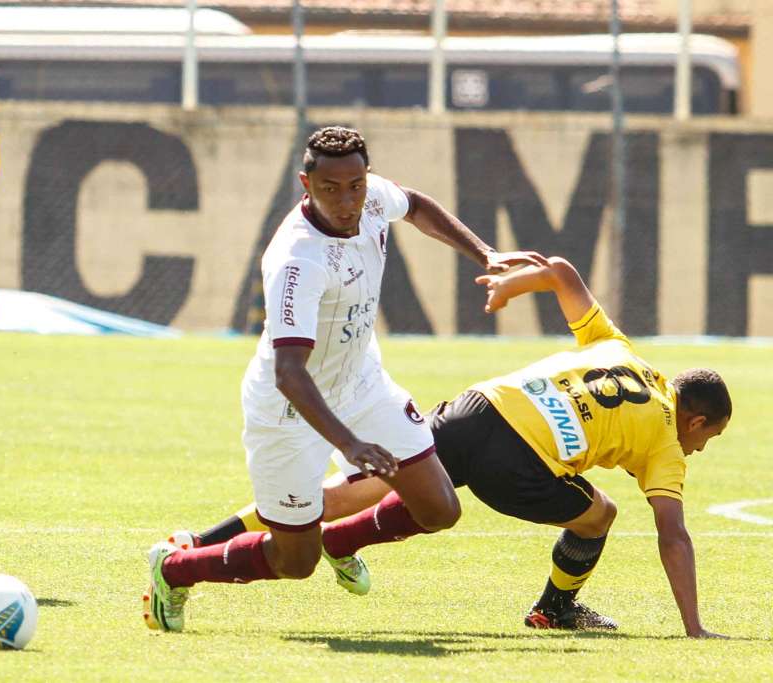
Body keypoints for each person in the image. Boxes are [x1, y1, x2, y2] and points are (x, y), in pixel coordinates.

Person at [172, 256, 731, 638]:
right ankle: (554, 610)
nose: (700, 449)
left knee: (350, 490)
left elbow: (563, 272)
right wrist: (694, 627)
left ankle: (199, 542)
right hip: (520, 460)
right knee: (599, 515)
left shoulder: (620, 348)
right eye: (708, 437)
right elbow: (673, 536)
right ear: (696, 418)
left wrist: (514, 284)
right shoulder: (667, 443)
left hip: (481, 406)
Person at [143, 125, 546, 632]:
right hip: (290, 411)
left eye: (355, 185)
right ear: (305, 184)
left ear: (366, 177)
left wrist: (486, 254)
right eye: (330, 189)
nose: (347, 201)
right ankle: (175, 569)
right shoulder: (297, 261)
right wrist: (350, 444)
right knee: (295, 562)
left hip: (362, 385)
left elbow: (416, 205)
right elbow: (289, 373)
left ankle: (341, 540)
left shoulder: (371, 197)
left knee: (440, 509)